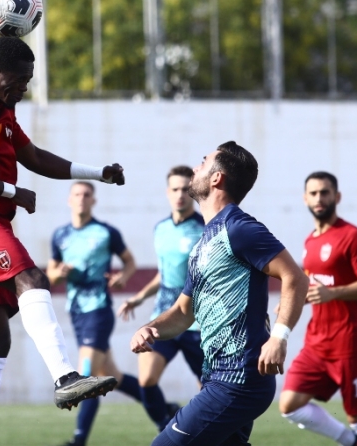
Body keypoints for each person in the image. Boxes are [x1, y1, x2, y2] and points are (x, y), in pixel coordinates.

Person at [0, 37, 123, 446]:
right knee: (30, 278)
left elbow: (33, 157)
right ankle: (65, 377)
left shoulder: (0, 109)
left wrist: (97, 173)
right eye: (20, 79)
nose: (25, 87)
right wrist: (11, 192)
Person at [130, 141, 309, 446]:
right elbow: (183, 313)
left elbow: (296, 277)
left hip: (238, 379)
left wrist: (279, 337)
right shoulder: (204, 241)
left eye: (203, 162)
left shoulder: (238, 228)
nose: (195, 168)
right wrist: (150, 328)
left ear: (216, 178)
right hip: (217, 375)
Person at [278, 172, 357, 446]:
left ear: (337, 197)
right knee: (290, 404)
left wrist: (334, 293)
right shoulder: (309, 242)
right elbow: (314, 285)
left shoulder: (352, 236)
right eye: (313, 193)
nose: (319, 198)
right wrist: (296, 299)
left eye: (325, 192)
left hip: (352, 343)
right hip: (317, 344)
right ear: (305, 198)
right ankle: (351, 442)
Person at [47, 181, 140, 446]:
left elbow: (130, 262)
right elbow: (51, 275)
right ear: (69, 200)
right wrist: (60, 273)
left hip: (99, 310)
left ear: (93, 200)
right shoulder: (60, 235)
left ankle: (79, 439)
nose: (81, 198)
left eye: (87, 194)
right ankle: (165, 410)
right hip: (77, 312)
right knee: (113, 376)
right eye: (77, 194)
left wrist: (123, 278)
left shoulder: (106, 232)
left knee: (85, 375)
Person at [118, 165, 205, 432]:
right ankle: (166, 427)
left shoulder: (205, 228)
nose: (180, 194)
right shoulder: (161, 228)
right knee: (146, 380)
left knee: (209, 389)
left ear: (193, 192)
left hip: (197, 321)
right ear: (168, 192)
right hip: (164, 317)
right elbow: (164, 274)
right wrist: (138, 298)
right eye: (175, 189)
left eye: (185, 189)